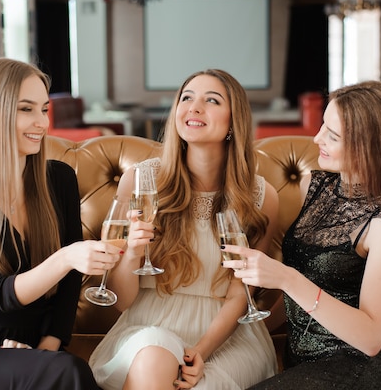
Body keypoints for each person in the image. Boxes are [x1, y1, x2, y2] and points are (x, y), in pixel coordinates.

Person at [222, 80, 381, 389]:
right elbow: (306, 291)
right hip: (302, 363)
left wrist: (285, 278)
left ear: (371, 147)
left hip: (360, 369)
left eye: (332, 136)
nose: (316, 138)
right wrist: (244, 332)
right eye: (323, 125)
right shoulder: (313, 185)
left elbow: (373, 338)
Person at [0, 58, 121, 389]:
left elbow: (70, 283)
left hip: (36, 347)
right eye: (26, 109)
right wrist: (65, 257)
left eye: (44, 109)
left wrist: (49, 346)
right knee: (70, 372)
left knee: (63, 369)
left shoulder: (59, 180)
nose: (41, 122)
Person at [88, 69, 279, 389]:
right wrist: (133, 252)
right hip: (148, 326)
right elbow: (121, 301)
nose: (194, 107)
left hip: (226, 338)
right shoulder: (139, 181)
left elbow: (239, 296)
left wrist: (201, 352)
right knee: (153, 358)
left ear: (235, 121)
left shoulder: (260, 197)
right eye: (186, 98)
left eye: (212, 100)